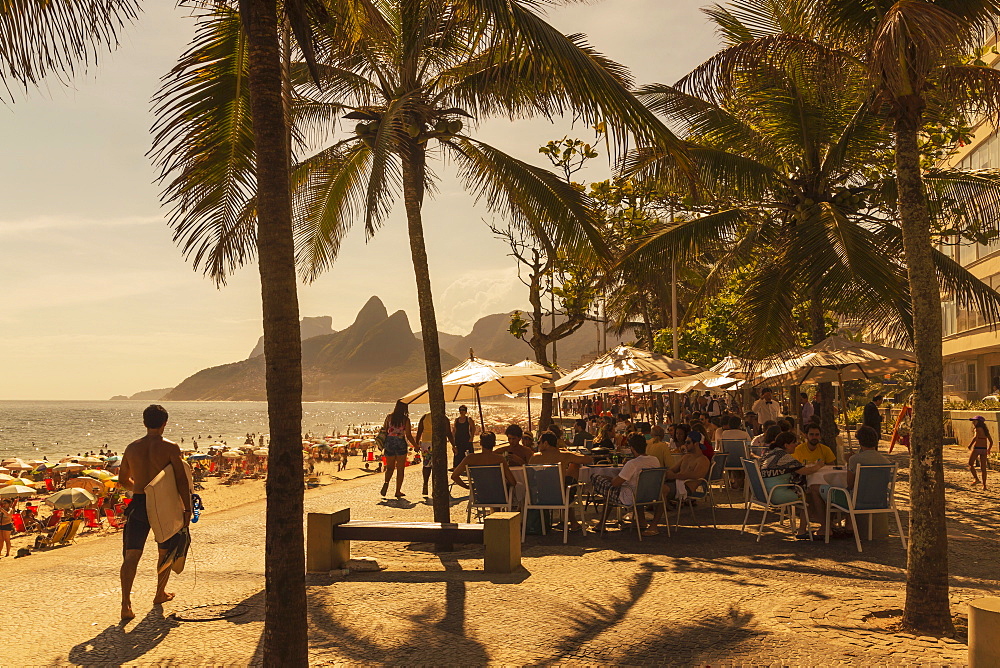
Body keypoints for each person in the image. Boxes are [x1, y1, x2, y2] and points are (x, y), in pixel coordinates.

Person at [118, 404, 193, 620]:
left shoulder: (132, 448)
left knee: (131, 555)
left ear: (144, 422)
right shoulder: (171, 447)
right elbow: (180, 479)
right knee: (165, 551)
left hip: (139, 503)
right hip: (164, 505)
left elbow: (123, 480)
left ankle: (126, 605)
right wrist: (187, 509)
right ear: (164, 423)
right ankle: (159, 593)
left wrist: (140, 489)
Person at [815, 425, 891, 537]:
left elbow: (850, 484)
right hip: (880, 501)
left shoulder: (855, 459)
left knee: (816, 489)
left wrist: (848, 461)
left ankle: (825, 527)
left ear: (860, 441)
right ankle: (848, 525)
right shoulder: (885, 461)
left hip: (856, 502)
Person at [759, 431, 825, 539]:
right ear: (786, 445)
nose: (797, 444)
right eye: (794, 442)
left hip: (764, 492)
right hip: (776, 494)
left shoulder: (770, 453)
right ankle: (805, 530)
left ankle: (821, 524)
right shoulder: (784, 457)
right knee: (809, 496)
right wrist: (818, 465)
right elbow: (806, 471)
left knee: (805, 492)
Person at [591, 434, 660, 533]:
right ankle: (641, 521)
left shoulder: (632, 464)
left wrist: (609, 478)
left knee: (598, 480)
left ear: (632, 448)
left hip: (629, 497)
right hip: (648, 495)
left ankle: (601, 523)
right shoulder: (655, 460)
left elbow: (615, 483)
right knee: (633, 485)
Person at [529, 432, 594, 530]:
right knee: (574, 466)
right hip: (560, 495)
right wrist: (571, 454)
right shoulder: (564, 455)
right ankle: (573, 522)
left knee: (562, 485)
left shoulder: (534, 457)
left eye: (539, 442)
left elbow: (530, 477)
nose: (537, 445)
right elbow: (588, 459)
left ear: (546, 443)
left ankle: (571, 522)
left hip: (540, 496)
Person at [452, 433, 516, 489]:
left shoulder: (470, 458)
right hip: (499, 496)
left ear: (480, 443)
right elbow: (513, 482)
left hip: (480, 497)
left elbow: (454, 476)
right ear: (494, 443)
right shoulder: (499, 459)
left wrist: (468, 487)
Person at [380, 400, 416, 498]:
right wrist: (415, 445)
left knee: (390, 467)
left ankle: (386, 482)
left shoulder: (389, 417)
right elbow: (408, 435)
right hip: (400, 443)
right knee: (400, 469)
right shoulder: (405, 420)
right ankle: (397, 491)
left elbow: (385, 429)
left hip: (389, 443)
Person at [416, 412, 454, 496]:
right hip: (438, 442)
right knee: (437, 465)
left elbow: (419, 431)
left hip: (426, 443)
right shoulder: (443, 418)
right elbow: (448, 433)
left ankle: (425, 483)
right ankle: (436, 488)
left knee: (426, 465)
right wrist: (453, 445)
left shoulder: (425, 417)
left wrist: (416, 444)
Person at [968, 416, 994, 490]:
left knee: (970, 463)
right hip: (984, 449)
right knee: (983, 468)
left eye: (974, 421)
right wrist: (989, 449)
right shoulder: (986, 431)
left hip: (977, 448)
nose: (973, 422)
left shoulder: (977, 429)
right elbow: (991, 441)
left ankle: (976, 479)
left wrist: (970, 445)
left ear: (979, 422)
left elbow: (975, 437)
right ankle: (984, 485)